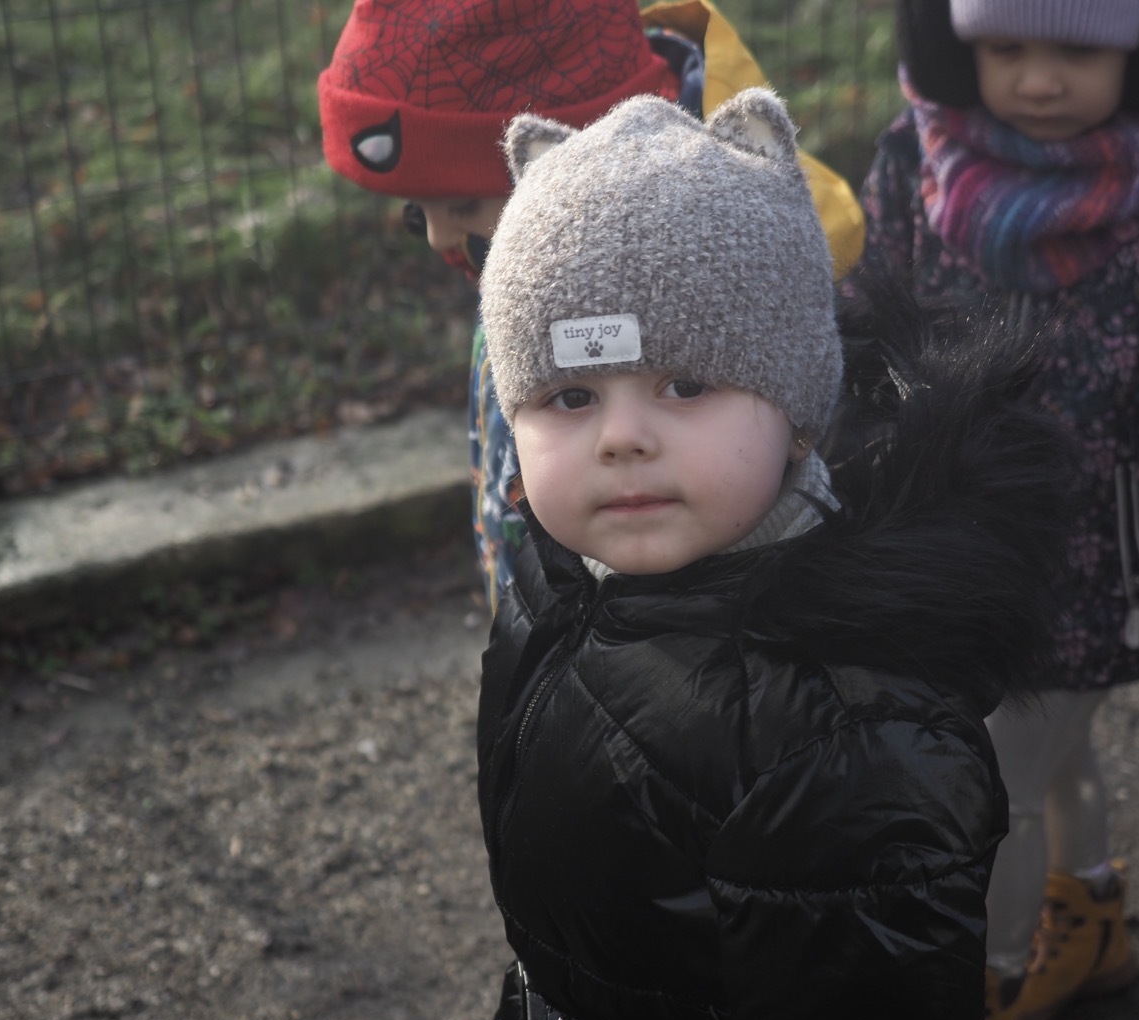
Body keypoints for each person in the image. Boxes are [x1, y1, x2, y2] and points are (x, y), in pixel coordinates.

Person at [472, 87, 1076, 1020]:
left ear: (798, 414)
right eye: (570, 395)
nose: (622, 437)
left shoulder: (848, 733)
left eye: (686, 383)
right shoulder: (553, 586)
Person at [853, 2, 1139, 1020]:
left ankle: (981, 995)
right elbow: (872, 323)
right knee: (1048, 748)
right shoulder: (920, 152)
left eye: (1077, 50)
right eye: (1005, 49)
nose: (1036, 81)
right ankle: (1088, 920)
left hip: (1097, 557)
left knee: (994, 780)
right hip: (955, 536)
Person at [317, 0, 866, 612]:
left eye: (686, 387)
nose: (437, 238)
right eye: (573, 397)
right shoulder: (516, 303)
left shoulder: (850, 639)